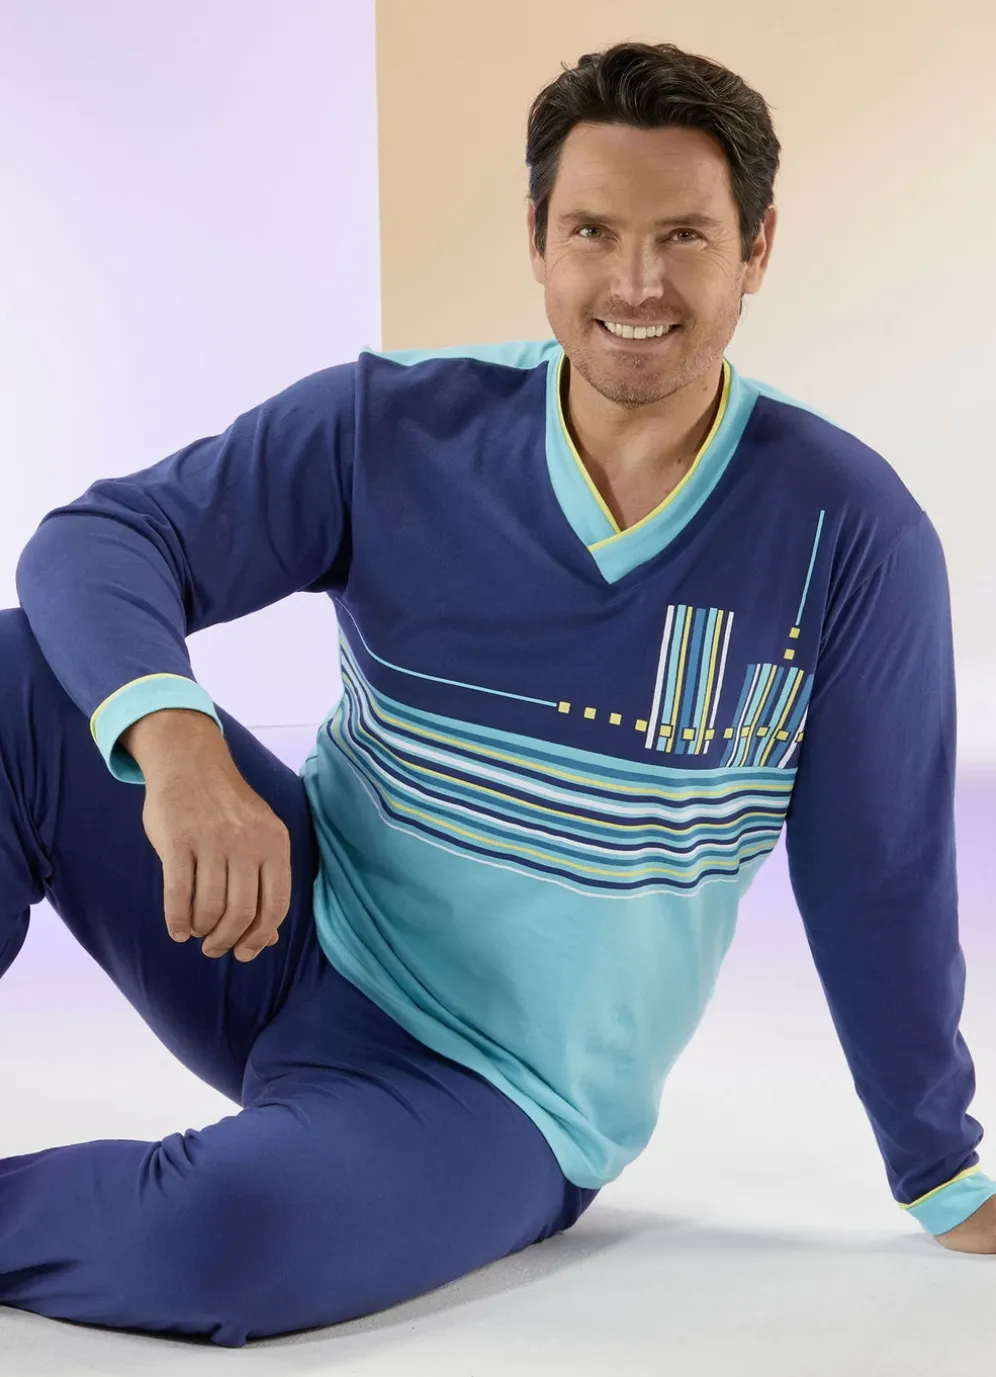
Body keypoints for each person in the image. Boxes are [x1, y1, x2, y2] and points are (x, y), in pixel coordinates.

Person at [2, 38, 993, 1350]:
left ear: (756, 249)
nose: (635, 284)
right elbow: (100, 542)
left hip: (494, 1093)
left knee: (225, 1240)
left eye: (685, 237)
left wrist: (940, 1165)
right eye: (594, 232)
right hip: (279, 931)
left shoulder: (848, 533)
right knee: (15, 675)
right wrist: (176, 744)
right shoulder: (386, 429)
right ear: (538, 240)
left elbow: (881, 867)